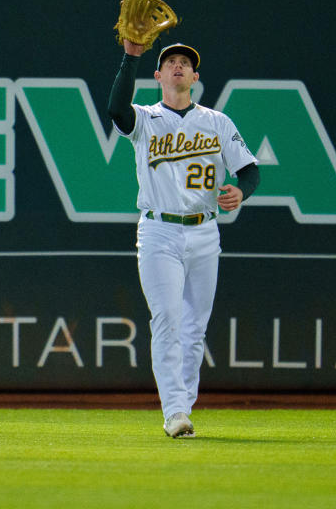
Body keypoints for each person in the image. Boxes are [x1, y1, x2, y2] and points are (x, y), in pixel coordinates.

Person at [108, 39, 260, 438]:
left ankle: (184, 407)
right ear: (158, 75)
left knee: (195, 328)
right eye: (171, 62)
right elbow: (116, 110)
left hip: (206, 232)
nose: (178, 66)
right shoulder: (145, 118)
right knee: (168, 320)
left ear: (195, 77)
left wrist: (242, 191)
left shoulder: (217, 122)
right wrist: (131, 57)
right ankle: (174, 410)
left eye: (185, 63)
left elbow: (249, 170)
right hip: (159, 231)